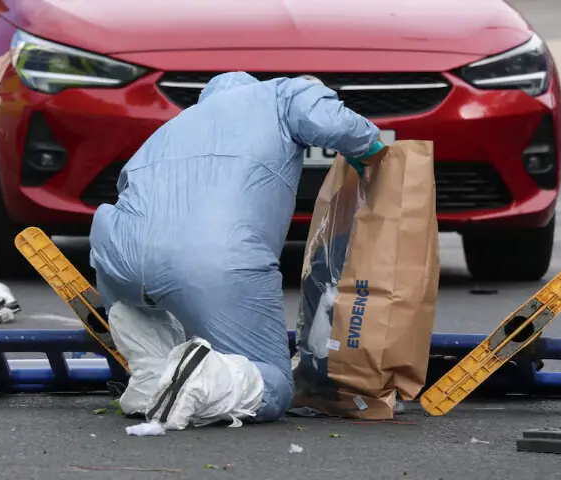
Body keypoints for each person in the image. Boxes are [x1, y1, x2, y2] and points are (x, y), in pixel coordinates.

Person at [89, 71, 384, 434]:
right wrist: (371, 149)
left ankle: (153, 382)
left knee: (153, 333)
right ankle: (206, 379)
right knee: (273, 382)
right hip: (214, 260)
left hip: (117, 255)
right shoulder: (280, 95)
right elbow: (327, 119)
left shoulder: (172, 127)